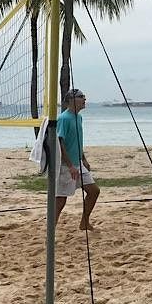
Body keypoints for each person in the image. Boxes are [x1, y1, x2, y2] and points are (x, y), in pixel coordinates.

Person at [56, 88, 100, 231]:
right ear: (71, 100)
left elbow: (77, 141)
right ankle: (51, 230)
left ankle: (84, 222)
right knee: (60, 200)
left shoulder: (79, 117)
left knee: (94, 191)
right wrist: (70, 166)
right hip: (66, 166)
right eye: (82, 97)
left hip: (78, 163)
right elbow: (60, 143)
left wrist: (84, 159)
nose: (84, 99)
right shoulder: (64, 118)